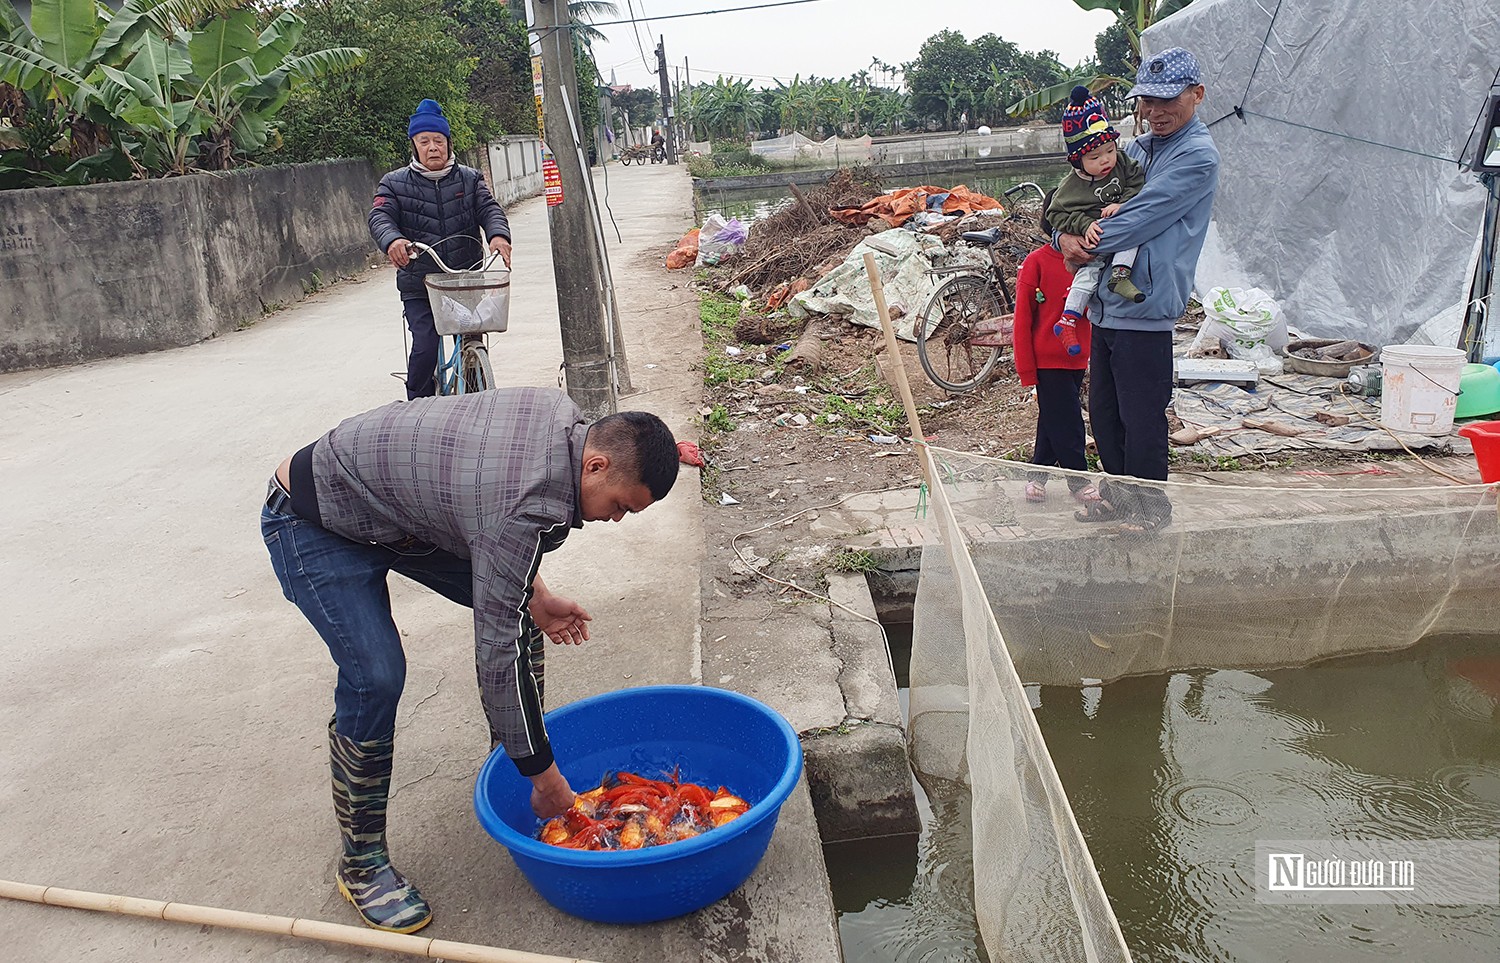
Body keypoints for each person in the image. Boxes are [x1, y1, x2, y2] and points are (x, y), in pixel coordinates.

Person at [260, 387, 679, 933]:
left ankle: (507, 769)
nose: (617, 519)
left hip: (403, 515)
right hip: (314, 519)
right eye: (621, 505)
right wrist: (550, 778)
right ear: (596, 464)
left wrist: (534, 595)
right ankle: (362, 864)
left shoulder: (565, 424)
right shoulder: (526, 499)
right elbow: (496, 639)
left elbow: (490, 518)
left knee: (527, 617)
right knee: (377, 677)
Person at [1058, 48, 1220, 533]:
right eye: (1148, 100)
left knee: (1142, 416)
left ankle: (1152, 510)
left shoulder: (1195, 157)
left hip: (1145, 305)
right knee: (1106, 416)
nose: (1156, 110)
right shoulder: (1140, 148)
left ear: (1197, 95)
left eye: (1168, 99)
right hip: (1106, 308)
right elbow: (1075, 191)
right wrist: (1063, 236)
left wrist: (1082, 240)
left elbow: (1135, 220)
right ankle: (1120, 496)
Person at [369, 99, 513, 400]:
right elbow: (380, 216)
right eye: (425, 141)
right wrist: (393, 240)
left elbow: (488, 208)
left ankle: (477, 394)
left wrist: (498, 235)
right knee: (425, 344)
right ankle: (418, 407)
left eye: (438, 140)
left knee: (472, 337)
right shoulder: (394, 183)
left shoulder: (470, 179)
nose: (433, 147)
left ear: (448, 143)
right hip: (420, 283)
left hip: (464, 280)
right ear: (414, 146)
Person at [1012, 192, 1100, 505]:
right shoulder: (1035, 263)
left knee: (1053, 417)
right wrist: (1026, 368)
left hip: (1077, 357)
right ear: (1054, 223)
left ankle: (1037, 477)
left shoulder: (1090, 263)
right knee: (1068, 421)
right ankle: (1078, 481)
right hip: (1047, 359)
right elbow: (1022, 321)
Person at [1048, 85, 1147, 358]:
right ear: (1077, 161)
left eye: (1109, 150)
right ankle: (1068, 320)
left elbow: (1138, 182)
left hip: (1120, 235)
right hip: (1092, 243)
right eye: (1094, 157)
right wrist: (1082, 225)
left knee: (1132, 233)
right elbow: (1053, 215)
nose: (1105, 160)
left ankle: (1120, 275)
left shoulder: (1123, 163)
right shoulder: (1070, 188)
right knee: (1086, 276)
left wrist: (1122, 203)